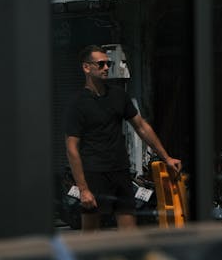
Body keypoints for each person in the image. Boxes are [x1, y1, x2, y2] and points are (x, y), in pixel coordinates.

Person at [65, 45, 181, 230]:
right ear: (86, 67)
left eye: (108, 64)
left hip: (120, 170)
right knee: (91, 233)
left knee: (129, 231)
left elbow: (141, 126)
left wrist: (166, 157)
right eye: (101, 64)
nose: (106, 68)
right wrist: (83, 189)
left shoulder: (118, 95)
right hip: (94, 172)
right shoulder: (77, 103)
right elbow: (72, 148)